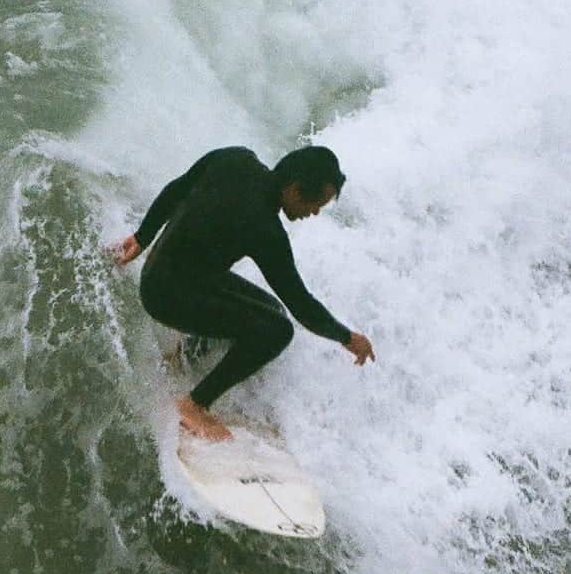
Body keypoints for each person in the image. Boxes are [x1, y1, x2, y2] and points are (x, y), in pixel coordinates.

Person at [109, 145, 375, 441]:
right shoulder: (265, 229)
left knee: (271, 310)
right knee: (277, 331)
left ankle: (183, 358)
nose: (313, 213)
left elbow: (177, 189)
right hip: (167, 296)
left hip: (161, 273)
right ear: (294, 188)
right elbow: (301, 303)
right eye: (314, 203)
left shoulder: (235, 158)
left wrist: (142, 237)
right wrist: (347, 338)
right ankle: (194, 405)